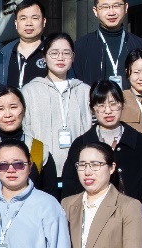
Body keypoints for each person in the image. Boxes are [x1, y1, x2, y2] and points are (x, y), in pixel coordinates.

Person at [62, 80, 142, 203]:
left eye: (113, 104)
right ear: (92, 108)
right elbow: (70, 188)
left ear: (122, 104)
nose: (108, 111)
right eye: (101, 105)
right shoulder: (81, 144)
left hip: (134, 212)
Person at [22, 33, 92, 177]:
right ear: (44, 57)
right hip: (42, 169)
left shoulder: (85, 91)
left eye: (66, 53)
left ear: (73, 57)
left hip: (80, 170)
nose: (60, 58)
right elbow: (25, 130)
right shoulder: (29, 91)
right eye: (54, 53)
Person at [0, 85, 59, 195]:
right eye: (0, 109)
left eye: (13, 107)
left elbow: (51, 194)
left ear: (24, 109)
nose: (8, 114)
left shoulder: (40, 150)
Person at [74, 0, 142, 89]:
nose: (111, 13)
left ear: (126, 7)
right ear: (95, 11)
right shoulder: (81, 46)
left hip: (131, 100)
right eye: (105, 7)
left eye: (116, 6)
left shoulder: (140, 45)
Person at [0, 0, 49, 89]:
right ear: (16, 23)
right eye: (23, 18)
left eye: (34, 18)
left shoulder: (54, 50)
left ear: (44, 22)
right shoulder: (4, 54)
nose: (29, 23)